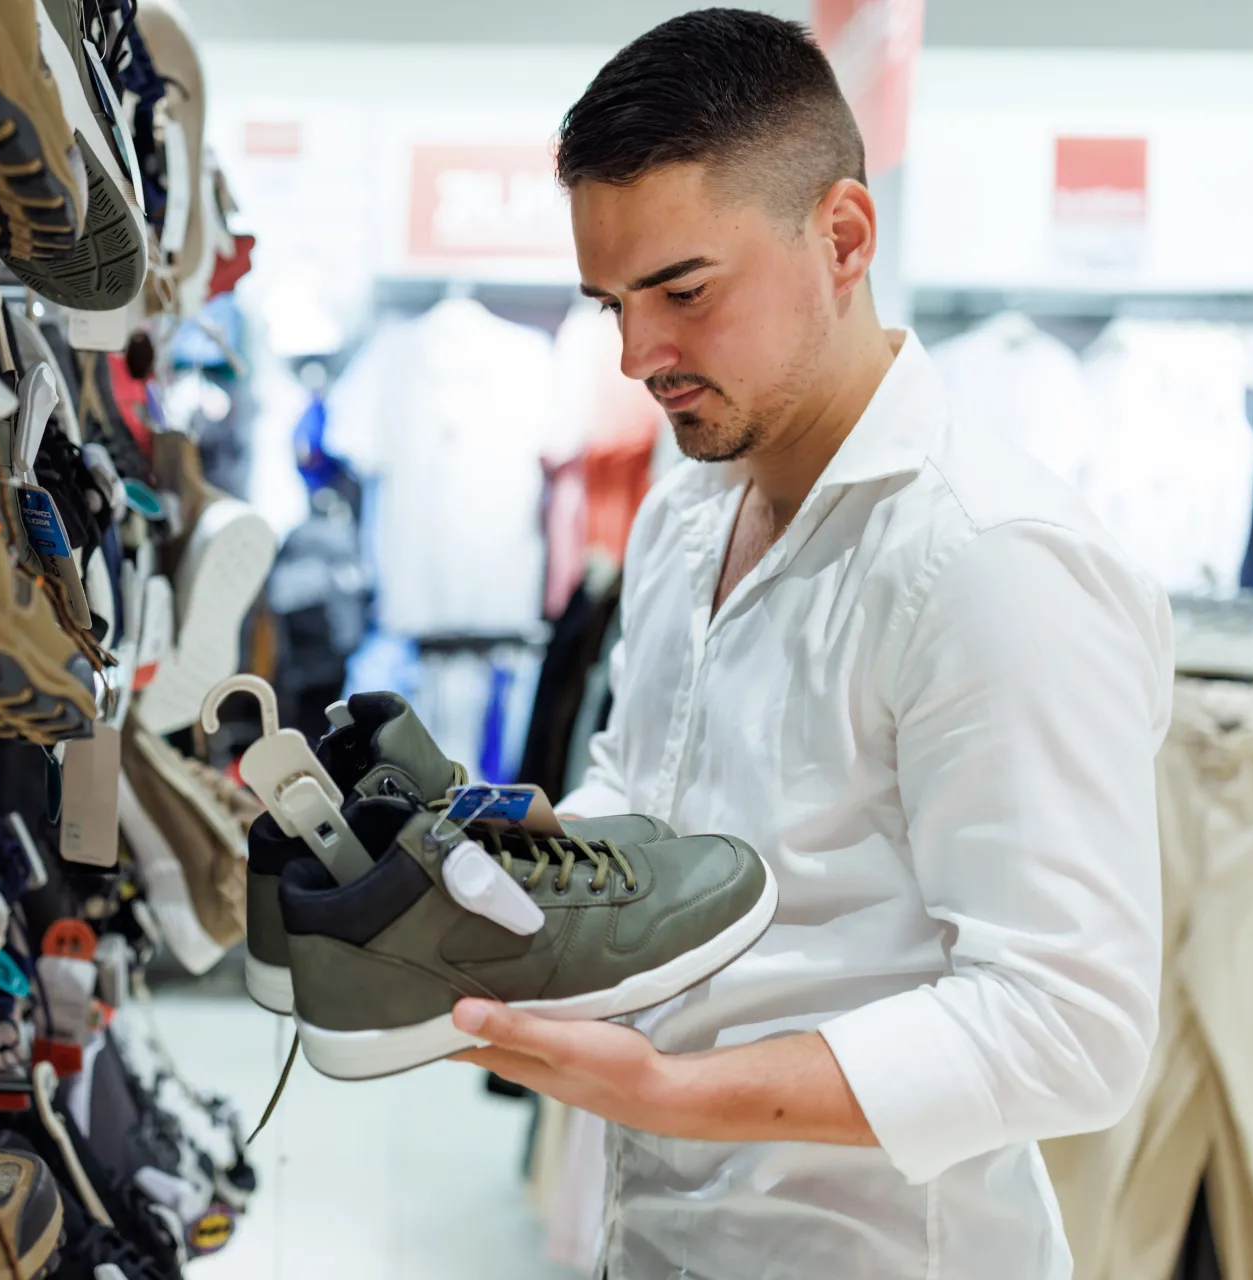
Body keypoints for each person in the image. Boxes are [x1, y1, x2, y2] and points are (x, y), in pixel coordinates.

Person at [453, 10, 1171, 1278]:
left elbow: (1070, 1026)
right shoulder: (689, 513)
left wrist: (667, 1086)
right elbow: (648, 796)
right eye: (611, 302)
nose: (636, 356)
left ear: (843, 235)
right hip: (661, 1234)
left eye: (683, 291)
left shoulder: (989, 556)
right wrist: (488, 868)